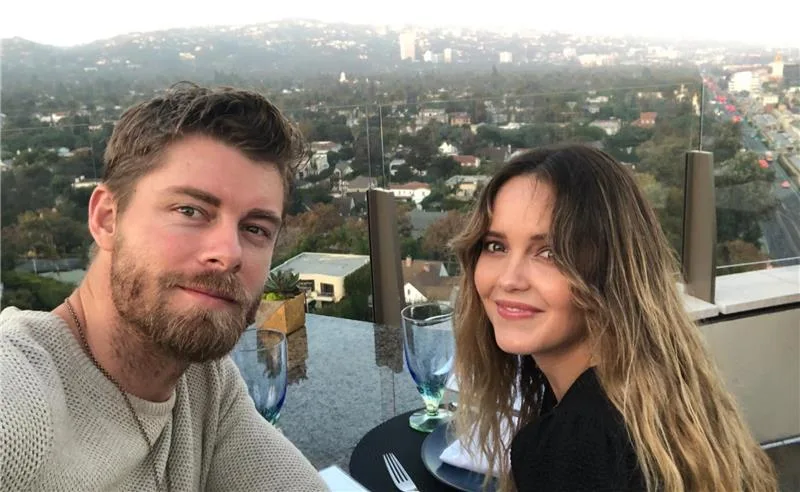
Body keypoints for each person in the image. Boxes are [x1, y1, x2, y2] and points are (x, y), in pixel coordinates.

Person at [0, 84, 329, 491]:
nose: (229, 253)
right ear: (107, 219)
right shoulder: (22, 393)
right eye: (190, 210)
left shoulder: (205, 384)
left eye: (255, 228)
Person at [451, 144, 777, 492]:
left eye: (550, 252)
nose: (509, 280)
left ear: (610, 273)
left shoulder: (579, 447)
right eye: (496, 246)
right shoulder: (656, 395)